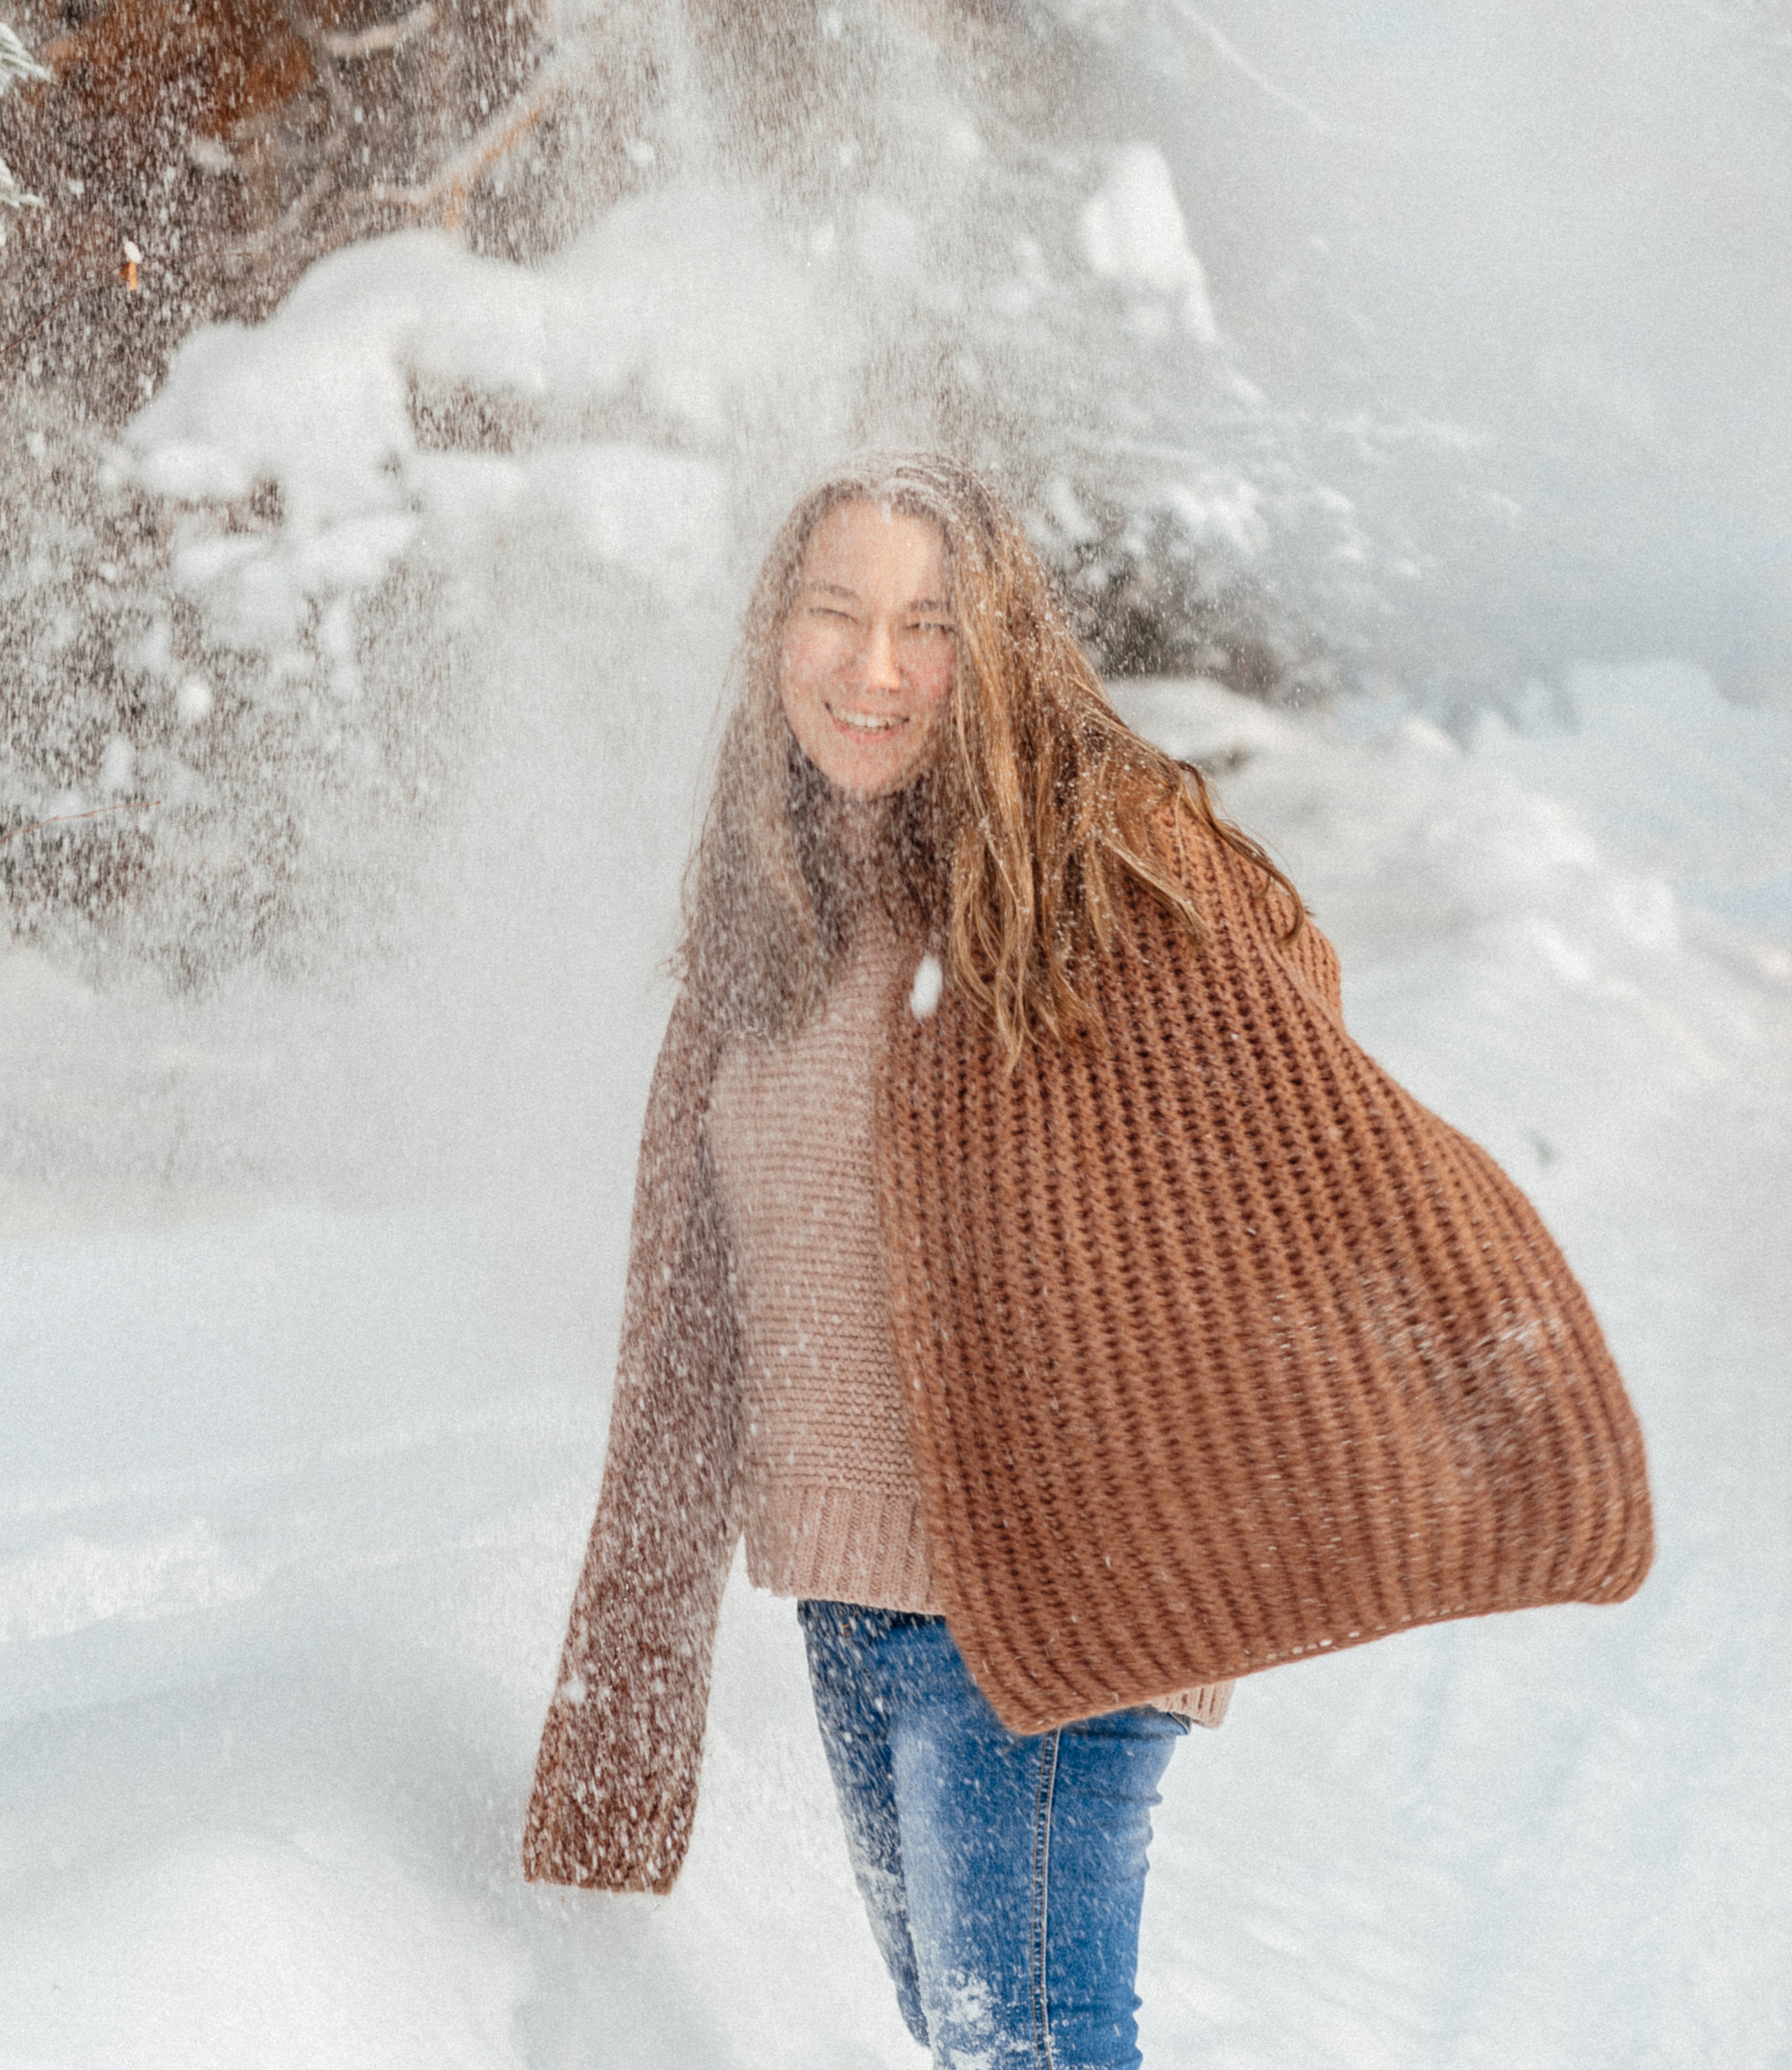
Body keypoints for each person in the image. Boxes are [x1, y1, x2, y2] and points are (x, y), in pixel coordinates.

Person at [523, 454, 1651, 2070]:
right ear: (775, 636)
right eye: (835, 614)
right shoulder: (769, 912)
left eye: (929, 625)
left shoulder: (1084, 867)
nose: (876, 667)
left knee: (1029, 2041)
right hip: (848, 1596)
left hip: (1055, 1591)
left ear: (997, 653)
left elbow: (1289, 1030)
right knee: (963, 2023)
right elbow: (700, 1297)